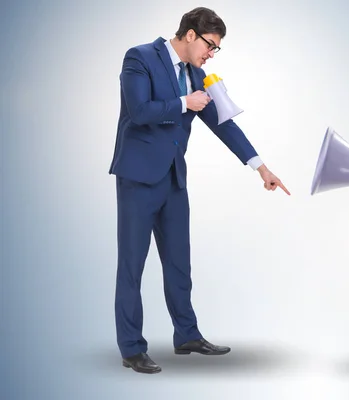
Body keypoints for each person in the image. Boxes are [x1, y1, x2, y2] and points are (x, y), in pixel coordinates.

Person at [108, 7, 290, 374]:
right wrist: (182, 103)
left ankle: (187, 334)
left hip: (174, 178)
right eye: (211, 45)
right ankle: (131, 348)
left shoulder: (198, 75)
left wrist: (260, 167)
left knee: (179, 262)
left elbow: (223, 124)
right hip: (138, 178)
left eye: (216, 49)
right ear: (190, 35)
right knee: (132, 265)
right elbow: (139, 110)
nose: (212, 53)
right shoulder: (139, 57)